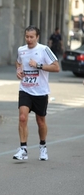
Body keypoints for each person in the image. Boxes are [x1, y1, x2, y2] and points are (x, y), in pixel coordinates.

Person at [14, 25, 60, 161]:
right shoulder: (21, 50)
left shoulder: (44, 50)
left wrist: (38, 65)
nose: (29, 40)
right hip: (25, 89)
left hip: (40, 91)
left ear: (37, 37)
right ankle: (23, 149)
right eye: (27, 37)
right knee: (22, 117)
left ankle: (43, 146)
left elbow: (56, 67)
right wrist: (18, 70)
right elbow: (18, 63)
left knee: (40, 121)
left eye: (31, 37)